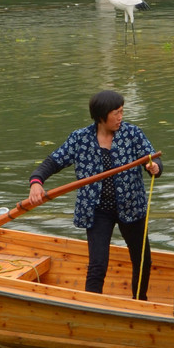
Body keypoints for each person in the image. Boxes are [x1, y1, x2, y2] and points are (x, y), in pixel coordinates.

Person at [26, 90, 162, 299]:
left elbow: (154, 159)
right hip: (98, 210)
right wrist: (36, 182)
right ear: (101, 116)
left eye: (121, 112)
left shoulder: (132, 134)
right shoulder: (80, 138)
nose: (120, 117)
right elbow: (53, 161)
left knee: (143, 260)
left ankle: (139, 301)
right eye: (115, 113)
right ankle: (92, 305)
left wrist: (154, 167)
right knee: (98, 264)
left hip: (131, 206)